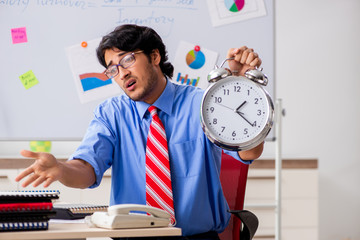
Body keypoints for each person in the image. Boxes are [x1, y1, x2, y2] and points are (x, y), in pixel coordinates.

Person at [16, 24, 264, 240]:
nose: (122, 73)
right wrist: (62, 170)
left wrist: (241, 86)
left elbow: (249, 151)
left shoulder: (202, 104)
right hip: (132, 239)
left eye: (127, 60)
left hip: (195, 238)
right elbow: (87, 170)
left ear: (154, 56)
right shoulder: (111, 114)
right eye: (112, 69)